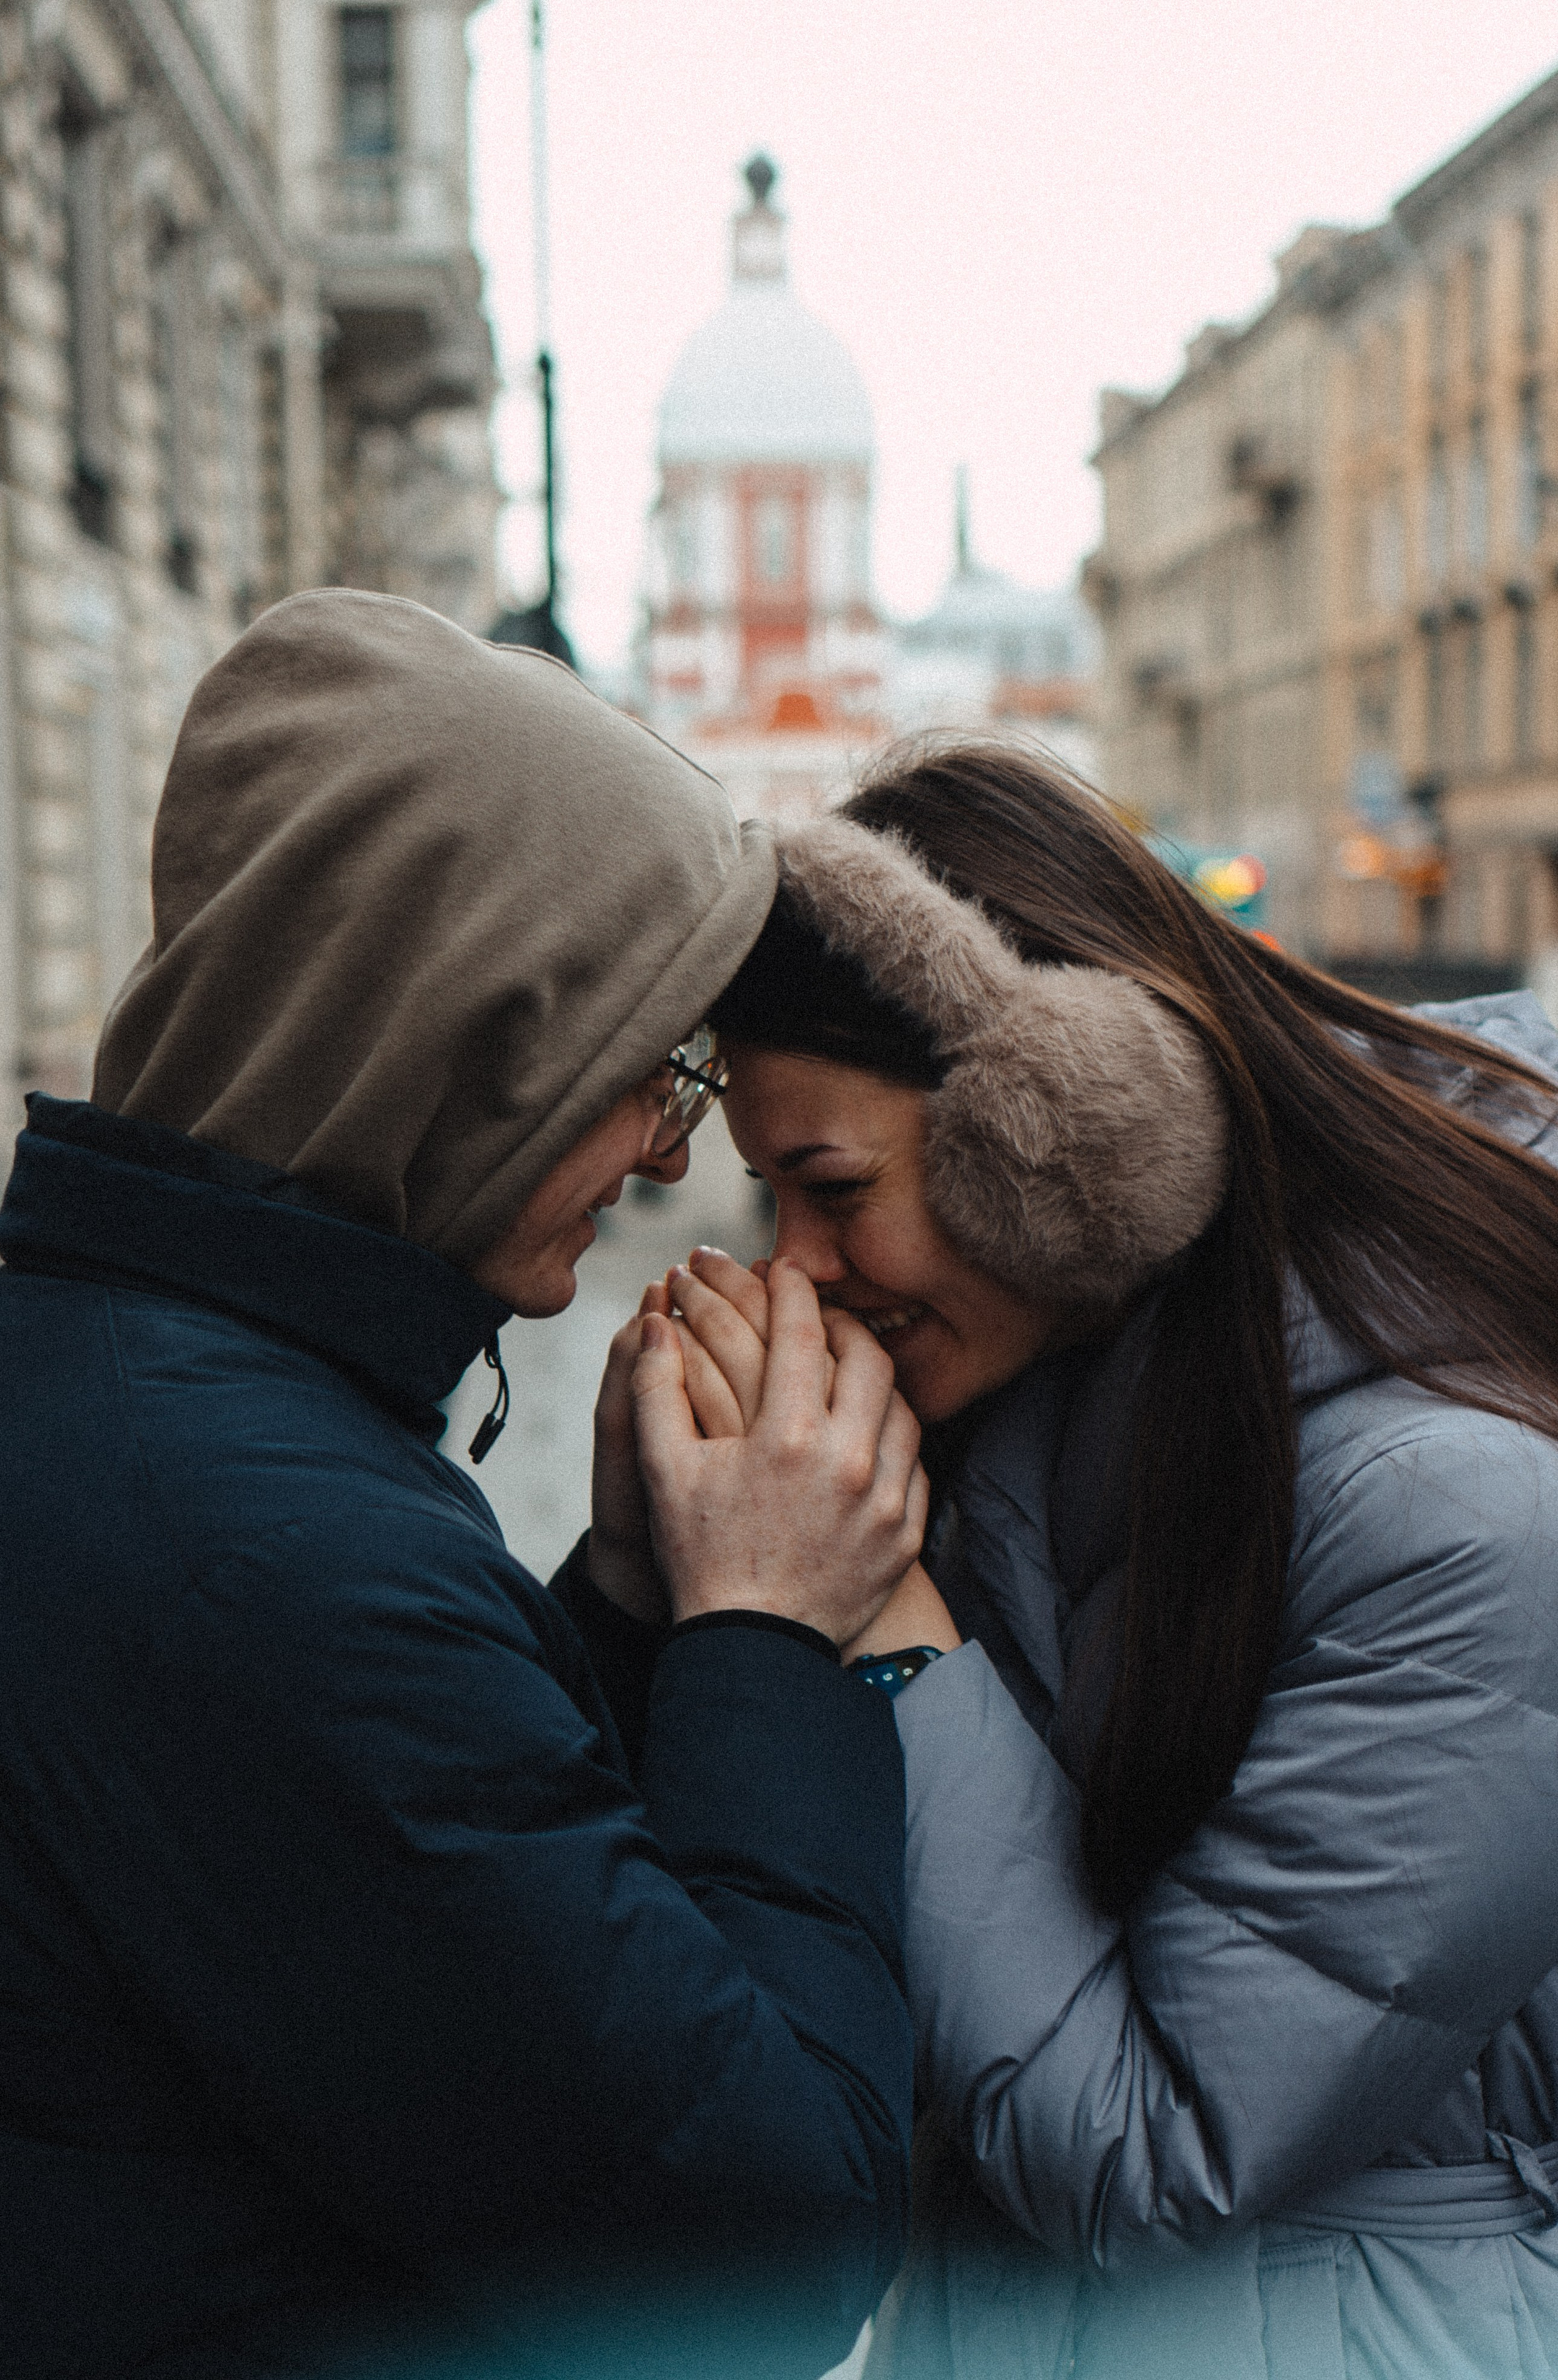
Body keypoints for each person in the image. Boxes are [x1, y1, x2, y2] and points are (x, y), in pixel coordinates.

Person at [0, 590, 928, 2380]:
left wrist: (631, 1607)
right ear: (473, 1046)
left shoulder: (105, 1378)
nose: (668, 1153)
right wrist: (770, 1633)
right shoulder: (265, 1563)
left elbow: (420, 1934)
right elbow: (756, 2255)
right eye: (650, 1069)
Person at [634, 739, 1558, 2378]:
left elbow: (1152, 2152)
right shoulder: (1032, 1387)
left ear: (1070, 1137)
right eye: (773, 1201)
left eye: (831, 1189)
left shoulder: (1466, 1526)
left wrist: (880, 1617)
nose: (803, 1271)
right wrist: (695, 1571)